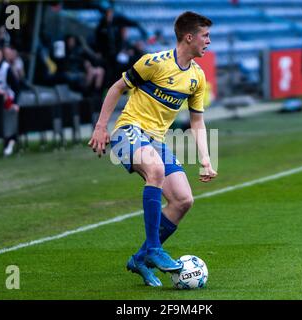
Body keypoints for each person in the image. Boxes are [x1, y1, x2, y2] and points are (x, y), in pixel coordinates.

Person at [89, 11, 216, 287]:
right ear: (189, 37)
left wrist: (205, 159)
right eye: (205, 36)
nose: (209, 41)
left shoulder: (197, 77)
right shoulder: (154, 63)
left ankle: (141, 258)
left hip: (155, 141)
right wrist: (101, 126)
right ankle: (156, 250)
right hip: (127, 132)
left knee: (183, 200)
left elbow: (197, 121)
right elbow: (116, 88)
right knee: (155, 170)